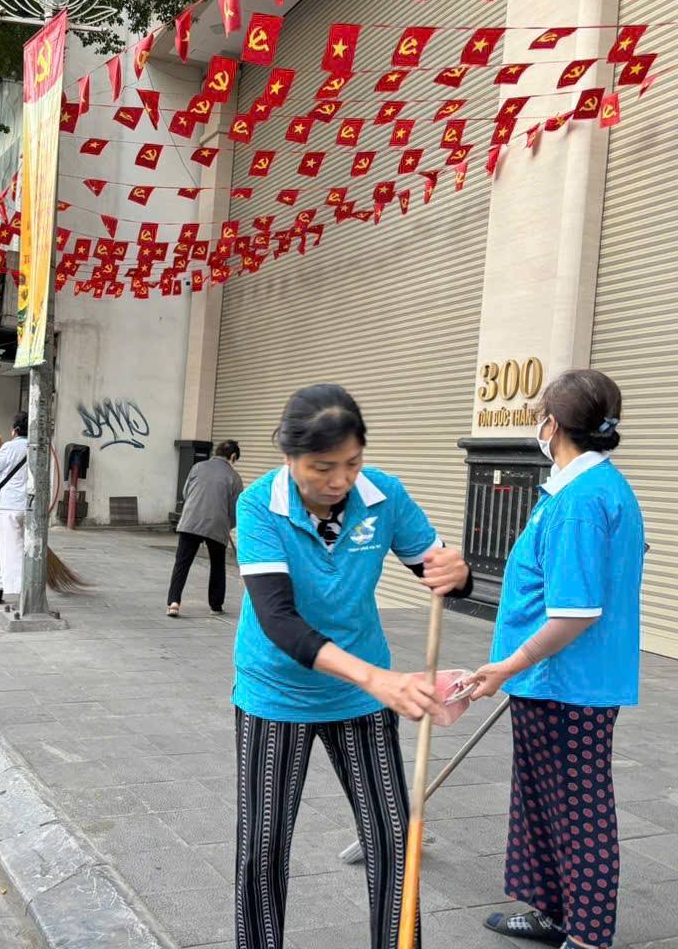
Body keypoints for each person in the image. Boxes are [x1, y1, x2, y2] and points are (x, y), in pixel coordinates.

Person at [233, 384, 474, 949]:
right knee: (263, 849)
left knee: (394, 839)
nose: (339, 480)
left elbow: (435, 567)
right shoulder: (259, 505)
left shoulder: (383, 495)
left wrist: (455, 572)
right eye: (322, 467)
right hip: (278, 694)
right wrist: (377, 677)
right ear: (288, 457)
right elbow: (279, 621)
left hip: (362, 702)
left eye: (351, 463)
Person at [468, 370, 644, 949]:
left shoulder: (581, 502)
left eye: (540, 414)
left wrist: (507, 666)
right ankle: (552, 911)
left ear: (553, 424)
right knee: (543, 803)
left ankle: (587, 936)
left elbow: (574, 612)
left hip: (569, 682)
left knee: (579, 813)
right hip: (552, 682)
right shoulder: (586, 491)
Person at [166, 440, 244, 617]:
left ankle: (173, 602)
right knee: (217, 565)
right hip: (217, 525)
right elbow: (235, 509)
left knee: (182, 563)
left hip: (190, 521)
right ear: (233, 457)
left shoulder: (197, 467)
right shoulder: (234, 477)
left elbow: (186, 493)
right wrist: (228, 525)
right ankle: (215, 606)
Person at [0, 413, 30, 605]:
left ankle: (17, 590)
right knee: (20, 548)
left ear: (15, 430)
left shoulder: (9, 447)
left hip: (9, 506)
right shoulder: (38, 448)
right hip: (29, 506)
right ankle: (0, 589)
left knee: (9, 550)